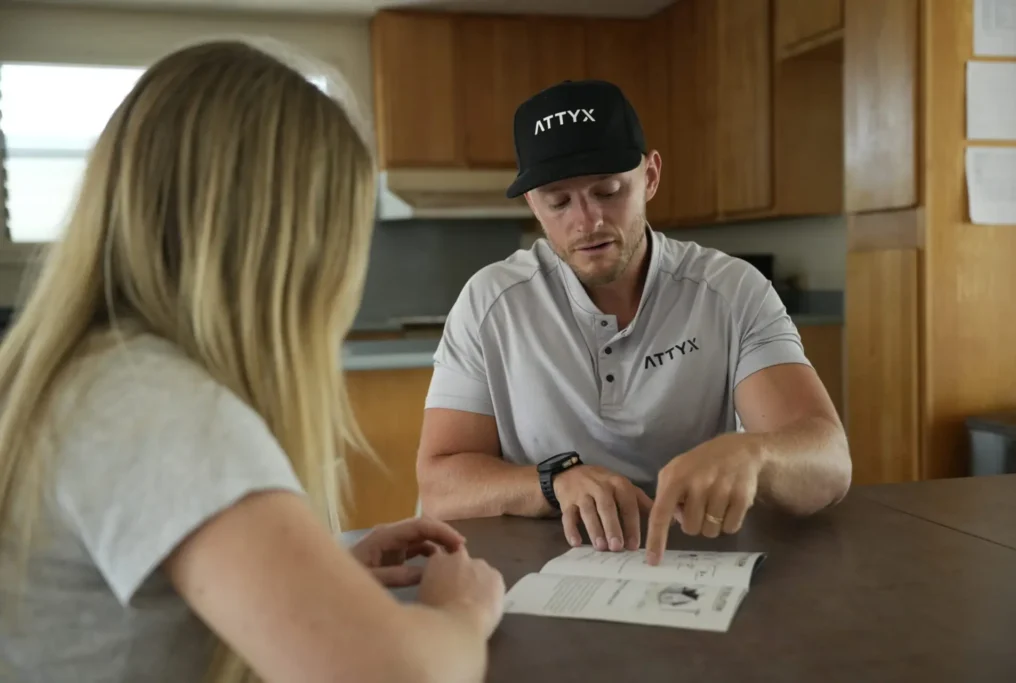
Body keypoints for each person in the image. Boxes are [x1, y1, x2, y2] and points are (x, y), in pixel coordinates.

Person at [0, 39, 504, 683]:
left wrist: (317, 578)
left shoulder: (95, 376)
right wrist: (460, 611)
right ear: (295, 247)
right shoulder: (159, 409)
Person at [416, 79, 852, 565]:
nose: (588, 221)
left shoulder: (731, 291)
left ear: (650, 176)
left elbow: (829, 462)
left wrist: (758, 455)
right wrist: (551, 483)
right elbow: (440, 484)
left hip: (698, 565)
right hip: (543, 573)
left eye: (608, 190)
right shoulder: (489, 303)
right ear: (532, 206)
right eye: (559, 202)